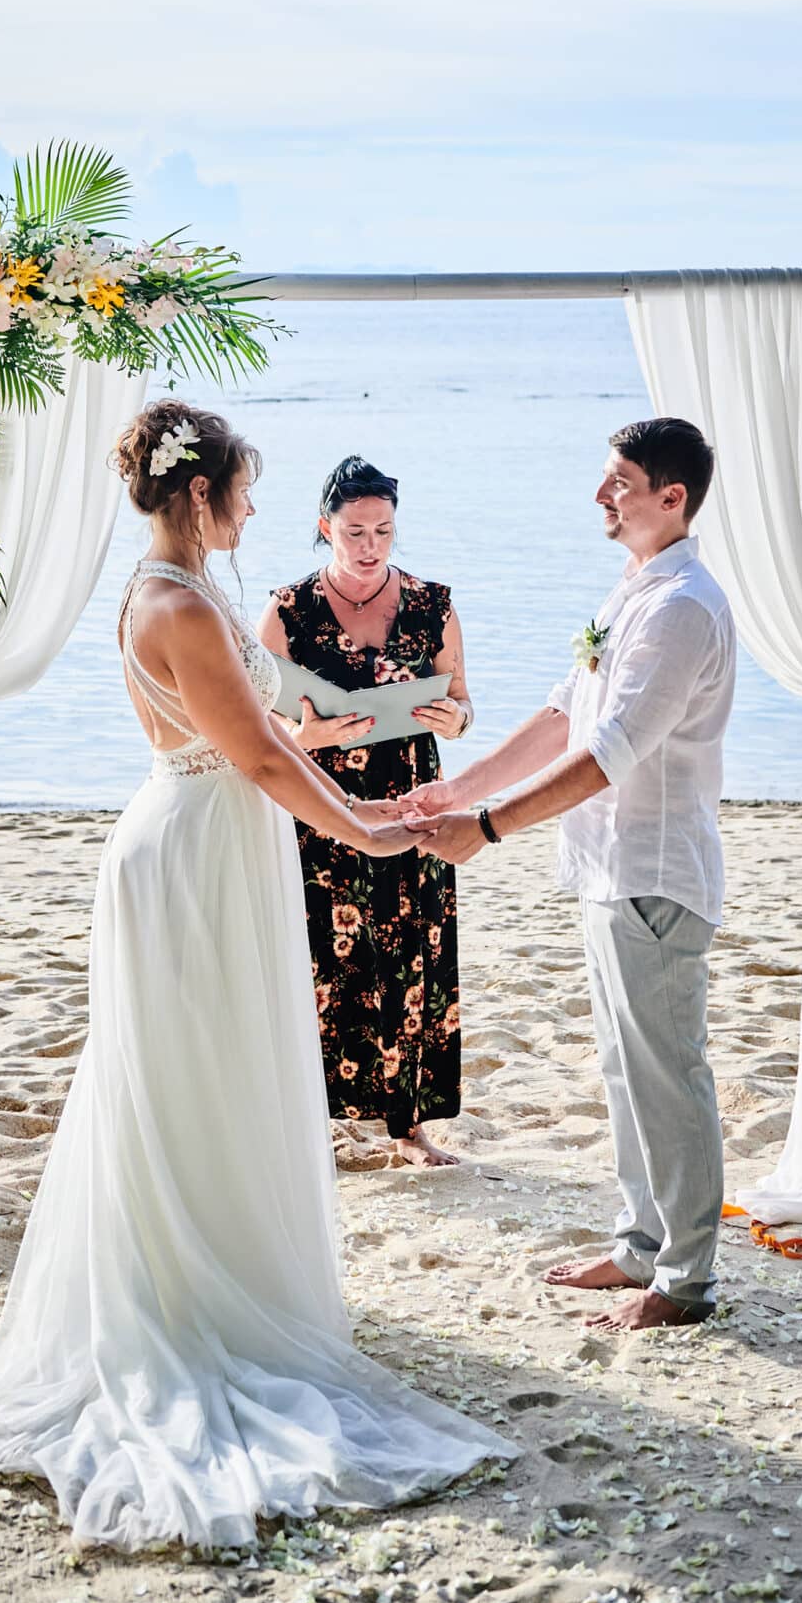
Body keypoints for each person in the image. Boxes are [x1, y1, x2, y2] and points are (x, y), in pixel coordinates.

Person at [0, 399, 508, 1548]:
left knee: (226, 1065)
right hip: (195, 847)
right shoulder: (170, 599)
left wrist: (371, 768)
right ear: (199, 494)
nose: (258, 507)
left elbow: (275, 733)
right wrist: (366, 830)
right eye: (245, 489)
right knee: (191, 1071)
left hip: (224, 838)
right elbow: (253, 752)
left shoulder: (194, 590)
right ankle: (191, 1294)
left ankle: (234, 1268)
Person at [403, 417, 734, 1331]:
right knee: (626, 1071)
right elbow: (564, 712)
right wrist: (456, 788)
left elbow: (610, 753)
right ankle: (639, 1246)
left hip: (655, 868)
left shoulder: (679, 608)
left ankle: (686, 1279)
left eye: (617, 482)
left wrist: (487, 828)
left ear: (671, 498)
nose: (600, 495)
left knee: (668, 1073)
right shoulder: (634, 587)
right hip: (605, 864)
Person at [259, 457, 472, 1168]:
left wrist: (453, 721)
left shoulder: (432, 603)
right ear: (326, 528)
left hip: (411, 795)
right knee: (318, 954)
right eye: (354, 531)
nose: (369, 544)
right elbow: (253, 729)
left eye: (382, 529)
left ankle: (407, 1128)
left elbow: (464, 704)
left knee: (411, 949)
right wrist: (307, 735)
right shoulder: (287, 609)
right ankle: (303, 1122)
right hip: (318, 800)